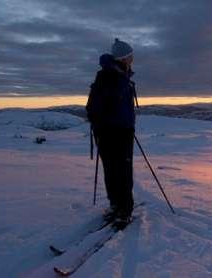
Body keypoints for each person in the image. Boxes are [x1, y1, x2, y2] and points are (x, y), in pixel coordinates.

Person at [86, 38, 138, 228]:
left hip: (106, 132)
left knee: (112, 170)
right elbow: (114, 105)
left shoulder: (108, 75)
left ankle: (116, 205)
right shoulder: (116, 77)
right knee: (122, 171)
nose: (132, 59)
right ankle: (123, 210)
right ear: (124, 58)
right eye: (130, 56)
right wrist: (125, 124)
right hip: (119, 131)